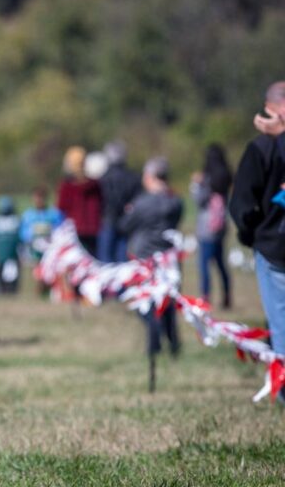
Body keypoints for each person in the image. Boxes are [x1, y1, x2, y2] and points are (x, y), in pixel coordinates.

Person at [230, 81, 285, 386]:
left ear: (268, 108)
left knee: (280, 326)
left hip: (273, 244)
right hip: (273, 243)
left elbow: (242, 204)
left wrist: (251, 233)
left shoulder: (261, 148)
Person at [119, 157, 183, 373]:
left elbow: (125, 225)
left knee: (145, 304)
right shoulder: (176, 201)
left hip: (143, 259)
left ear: (151, 177)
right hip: (168, 259)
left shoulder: (142, 203)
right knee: (168, 303)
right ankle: (173, 342)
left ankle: (154, 338)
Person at [190, 144, 233, 309]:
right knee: (221, 263)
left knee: (204, 264)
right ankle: (227, 295)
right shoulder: (225, 177)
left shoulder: (207, 178)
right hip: (221, 226)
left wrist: (195, 184)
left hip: (206, 228)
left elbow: (199, 200)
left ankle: (205, 297)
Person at [97, 141, 141, 262]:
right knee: (123, 258)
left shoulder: (103, 178)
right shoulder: (133, 177)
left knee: (105, 260)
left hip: (107, 220)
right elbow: (138, 201)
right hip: (126, 221)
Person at [56, 145, 102, 256]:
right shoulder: (95, 185)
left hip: (74, 231)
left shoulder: (67, 186)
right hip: (93, 229)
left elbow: (61, 207)